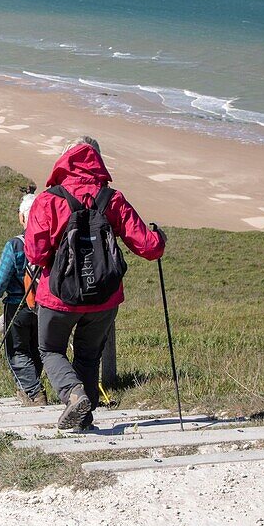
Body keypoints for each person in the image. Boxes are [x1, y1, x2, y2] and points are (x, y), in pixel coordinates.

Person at [25, 136, 165, 431]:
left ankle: (74, 396)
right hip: (104, 296)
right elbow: (149, 248)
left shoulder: (49, 200)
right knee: (88, 356)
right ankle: (84, 421)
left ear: (64, 159)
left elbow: (36, 254)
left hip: (58, 296)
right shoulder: (112, 199)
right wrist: (159, 237)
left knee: (50, 350)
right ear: (98, 161)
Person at [0, 189, 46, 407]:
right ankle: (28, 389)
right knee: (38, 349)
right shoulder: (51, 242)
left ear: (22, 217)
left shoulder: (15, 245)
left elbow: (1, 279)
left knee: (18, 351)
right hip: (45, 305)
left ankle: (35, 393)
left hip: (17, 305)